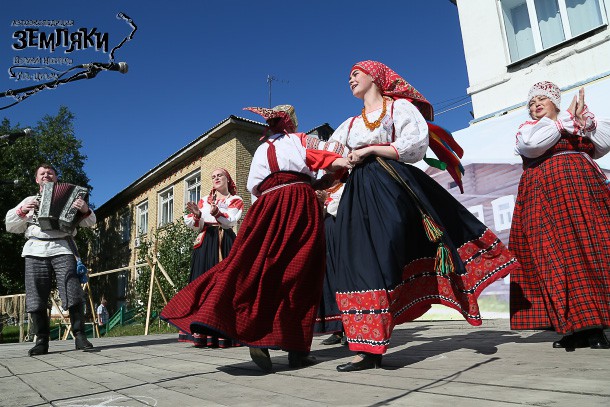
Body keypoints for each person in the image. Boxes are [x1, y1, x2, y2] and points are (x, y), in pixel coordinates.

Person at [327, 60, 520, 372]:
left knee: (391, 248)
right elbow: (329, 153)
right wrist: (333, 156)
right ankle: (367, 348)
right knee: (360, 261)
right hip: (357, 192)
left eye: (355, 74)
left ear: (374, 77)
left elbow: (414, 145)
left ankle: (387, 322)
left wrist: (372, 150)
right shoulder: (349, 125)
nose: (349, 79)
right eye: (348, 75)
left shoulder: (398, 109)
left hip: (390, 183)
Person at [161, 104, 349, 373]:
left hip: (265, 208)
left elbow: (256, 188)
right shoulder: (301, 140)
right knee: (303, 273)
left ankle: (254, 333)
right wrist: (331, 175)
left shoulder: (261, 149)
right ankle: (297, 349)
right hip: (298, 202)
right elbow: (336, 156)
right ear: (292, 122)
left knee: (257, 268)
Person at [510, 81, 610, 350]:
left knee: (590, 250)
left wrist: (583, 122)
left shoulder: (576, 125)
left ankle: (597, 326)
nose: (535, 105)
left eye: (542, 99)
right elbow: (533, 146)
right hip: (543, 198)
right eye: (531, 102)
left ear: (555, 101)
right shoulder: (528, 130)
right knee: (553, 257)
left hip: (580, 191)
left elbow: (604, 142)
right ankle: (570, 327)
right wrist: (566, 119)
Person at [5, 164, 96, 356]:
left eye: (50, 173)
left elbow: (90, 222)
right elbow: (10, 225)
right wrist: (22, 211)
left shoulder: (72, 196)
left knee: (72, 290)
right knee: (36, 295)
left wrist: (85, 209)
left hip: (63, 247)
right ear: (37, 179)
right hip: (35, 249)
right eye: (42, 173)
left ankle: (80, 337)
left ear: (56, 178)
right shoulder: (29, 200)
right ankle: (41, 341)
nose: (46, 175)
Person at [179, 168, 243, 347]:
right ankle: (202, 331)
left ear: (227, 179)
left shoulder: (235, 200)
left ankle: (223, 331)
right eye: (213, 176)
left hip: (225, 242)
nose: (215, 178)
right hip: (206, 242)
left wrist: (216, 213)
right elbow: (194, 223)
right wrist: (199, 215)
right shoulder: (204, 201)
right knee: (203, 281)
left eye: (219, 175)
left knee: (224, 284)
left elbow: (230, 220)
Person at [314, 179, 346, 345]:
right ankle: (336, 327)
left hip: (340, 234)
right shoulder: (319, 189)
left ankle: (349, 326)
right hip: (324, 235)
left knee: (341, 277)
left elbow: (338, 209)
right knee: (328, 279)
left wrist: (325, 199)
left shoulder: (345, 187)